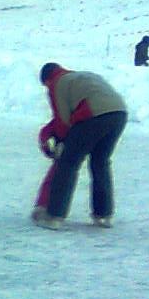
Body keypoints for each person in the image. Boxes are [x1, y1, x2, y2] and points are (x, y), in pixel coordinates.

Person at [33, 63, 128, 229]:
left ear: (47, 80)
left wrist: (61, 144)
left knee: (68, 163)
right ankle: (103, 215)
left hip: (93, 114)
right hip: (119, 113)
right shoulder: (80, 77)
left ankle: (54, 215)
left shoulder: (57, 83)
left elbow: (63, 120)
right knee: (100, 162)